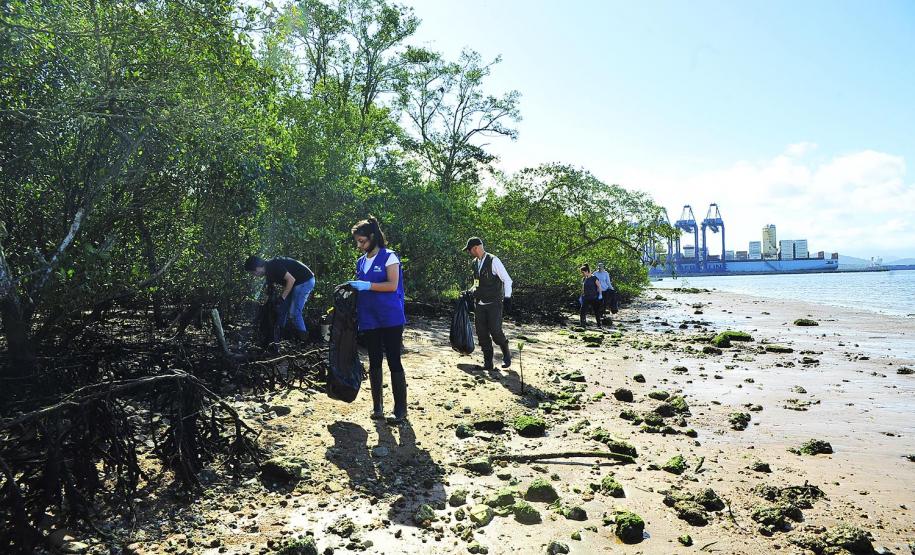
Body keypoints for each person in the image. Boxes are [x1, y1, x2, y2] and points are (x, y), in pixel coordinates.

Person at [347, 217, 408, 424]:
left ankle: (400, 409)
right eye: (357, 242)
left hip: (390, 316)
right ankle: (377, 407)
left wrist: (368, 285)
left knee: (393, 359)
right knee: (374, 360)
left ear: (372, 237)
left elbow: (392, 285)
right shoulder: (361, 262)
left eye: (362, 241)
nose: (359, 245)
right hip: (369, 317)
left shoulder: (389, 257)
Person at [463, 237, 513, 370]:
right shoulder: (475, 263)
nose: (469, 252)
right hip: (479, 304)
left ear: (476, 248)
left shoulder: (493, 260)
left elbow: (507, 280)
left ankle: (506, 353)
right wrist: (469, 292)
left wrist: (507, 298)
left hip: (494, 303)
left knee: (496, 331)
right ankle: (488, 363)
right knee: (481, 333)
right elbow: (476, 283)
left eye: (469, 250)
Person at [244, 255, 316, 342]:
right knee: (282, 309)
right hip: (296, 283)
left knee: (294, 313)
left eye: (253, 272)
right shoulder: (268, 272)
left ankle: (304, 340)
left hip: (305, 280)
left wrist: (282, 298)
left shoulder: (274, 265)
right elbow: (270, 292)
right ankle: (278, 337)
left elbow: (291, 280)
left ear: (258, 268)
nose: (254, 275)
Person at [579, 264, 603, 328]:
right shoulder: (584, 279)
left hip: (594, 297)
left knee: (596, 312)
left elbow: (599, 287)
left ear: (587, 271)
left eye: (583, 272)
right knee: (582, 311)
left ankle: (599, 325)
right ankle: (582, 325)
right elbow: (583, 288)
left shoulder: (594, 278)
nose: (582, 274)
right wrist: (581, 296)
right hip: (586, 297)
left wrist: (600, 295)